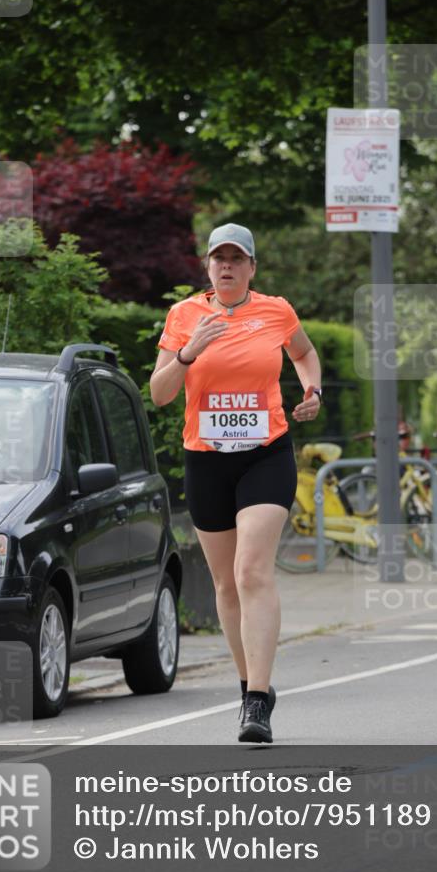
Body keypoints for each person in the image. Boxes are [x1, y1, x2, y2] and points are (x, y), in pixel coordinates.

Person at [150, 223, 322, 743]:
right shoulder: (184, 316)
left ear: (251, 267)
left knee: (251, 571)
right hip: (206, 459)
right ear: (207, 266)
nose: (226, 265)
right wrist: (188, 352)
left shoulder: (277, 311)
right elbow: (159, 394)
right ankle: (253, 685)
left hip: (266, 455)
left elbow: (304, 354)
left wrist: (312, 390)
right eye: (217, 258)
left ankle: (255, 705)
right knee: (226, 584)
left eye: (236, 258)